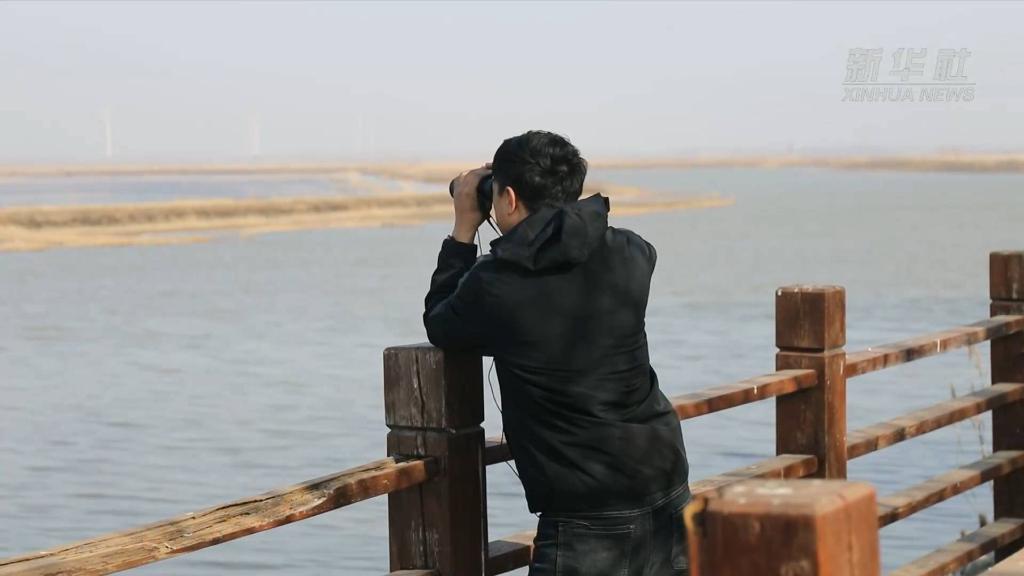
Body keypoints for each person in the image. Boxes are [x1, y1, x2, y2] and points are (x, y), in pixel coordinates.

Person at [423, 130, 690, 576]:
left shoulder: (498, 283)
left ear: (509, 198)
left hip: (587, 517)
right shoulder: (629, 250)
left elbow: (441, 324)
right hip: (667, 488)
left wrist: (464, 229)